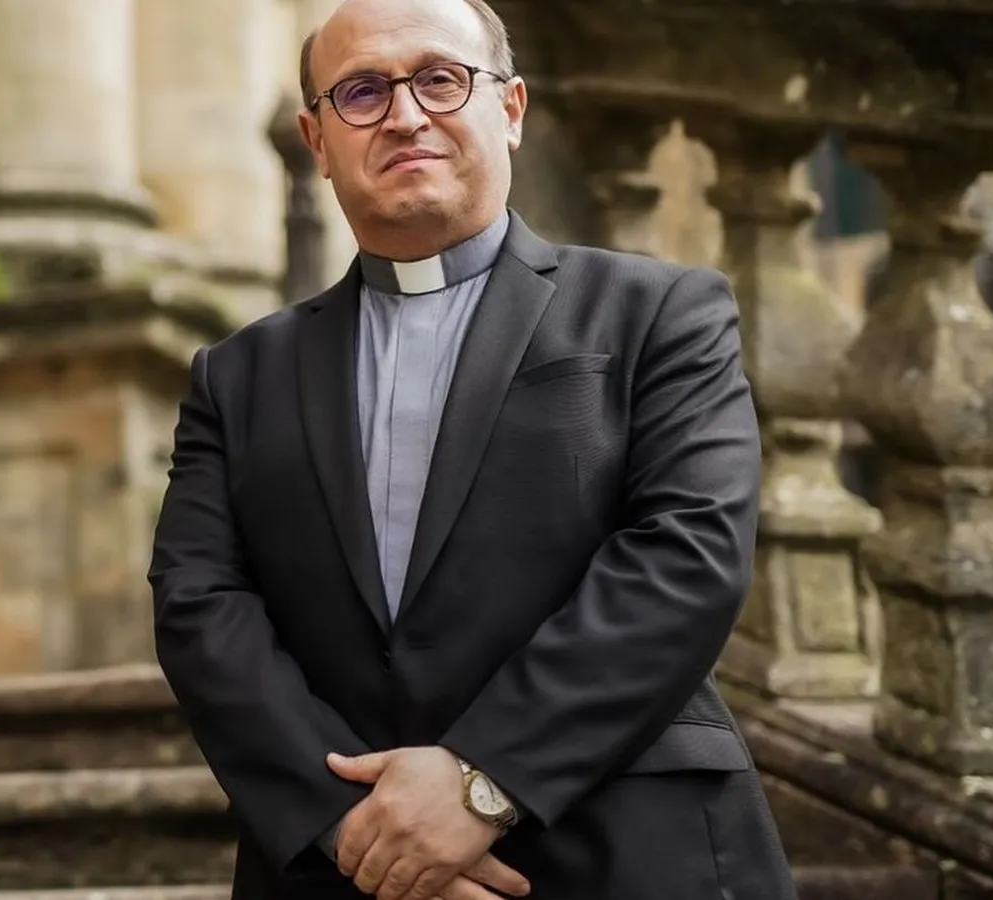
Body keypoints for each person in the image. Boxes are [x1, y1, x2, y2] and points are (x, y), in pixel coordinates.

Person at [147, 0, 798, 897]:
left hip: (630, 847)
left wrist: (482, 779)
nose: (406, 115)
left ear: (511, 108)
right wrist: (359, 835)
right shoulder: (236, 375)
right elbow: (200, 608)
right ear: (317, 141)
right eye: (362, 93)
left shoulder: (661, 313)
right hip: (341, 872)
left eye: (441, 80)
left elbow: (688, 555)